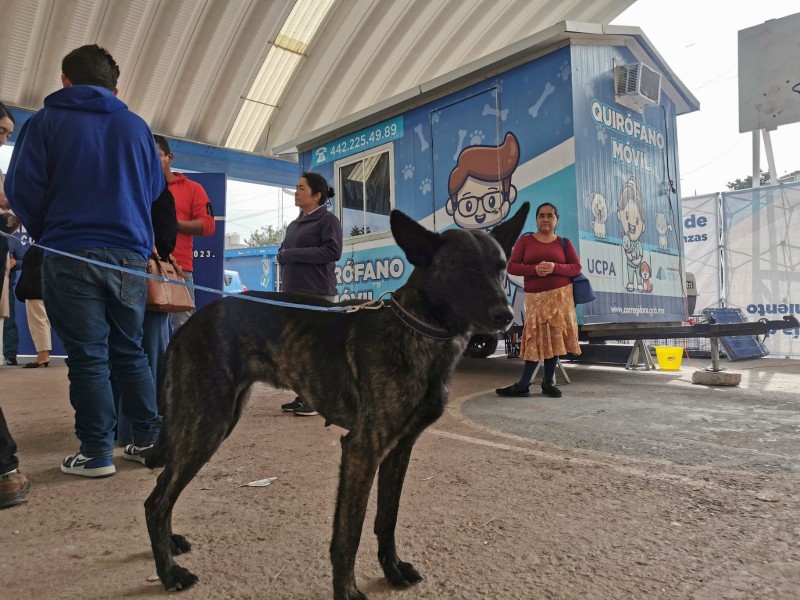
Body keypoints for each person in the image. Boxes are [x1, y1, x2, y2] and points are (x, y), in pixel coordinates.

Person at [4, 44, 165, 477]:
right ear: (116, 87)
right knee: (131, 350)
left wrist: (50, 230)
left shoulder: (44, 123)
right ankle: (146, 440)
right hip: (128, 256)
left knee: (88, 356)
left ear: (64, 80)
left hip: (69, 252)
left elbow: (22, 188)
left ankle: (96, 453)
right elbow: (152, 189)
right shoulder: (137, 128)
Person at [496, 202, 582, 398]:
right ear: (536, 219)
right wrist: (533, 269)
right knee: (534, 338)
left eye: (550, 216)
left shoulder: (564, 243)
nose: (545, 219)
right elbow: (512, 267)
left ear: (556, 220)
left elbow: (576, 268)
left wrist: (554, 267)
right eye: (541, 215)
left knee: (554, 338)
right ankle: (523, 385)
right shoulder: (525, 242)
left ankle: (548, 382)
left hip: (560, 299)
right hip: (536, 299)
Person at [114, 181, 177, 445]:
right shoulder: (150, 190)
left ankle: (127, 430)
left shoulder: (150, 190)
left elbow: (165, 240)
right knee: (141, 357)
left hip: (133, 278)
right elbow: (165, 239)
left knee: (134, 355)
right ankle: (137, 431)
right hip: (135, 276)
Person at [278, 172, 342, 416]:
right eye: (296, 187)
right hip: (292, 293)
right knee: (297, 348)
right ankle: (304, 394)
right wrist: (282, 254)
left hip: (317, 292)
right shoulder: (294, 224)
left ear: (317, 196)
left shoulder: (327, 220)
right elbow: (282, 251)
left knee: (315, 349)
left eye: (301, 188)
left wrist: (292, 254)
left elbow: (332, 251)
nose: (296, 192)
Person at [153, 135, 215, 333]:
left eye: (156, 156)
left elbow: (208, 225)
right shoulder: (136, 187)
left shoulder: (193, 188)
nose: (151, 162)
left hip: (177, 269)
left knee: (183, 330)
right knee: (147, 332)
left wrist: (172, 225)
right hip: (139, 267)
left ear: (169, 157)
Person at [14, 245, 51, 368]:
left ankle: (43, 355)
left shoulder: (40, 246)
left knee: (38, 322)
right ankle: (44, 354)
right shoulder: (50, 245)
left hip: (36, 289)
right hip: (45, 289)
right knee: (44, 321)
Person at [3, 235, 24, 366]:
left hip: (6, 286)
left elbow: (23, 260)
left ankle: (10, 355)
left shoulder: (13, 240)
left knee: (8, 322)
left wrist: (15, 263)